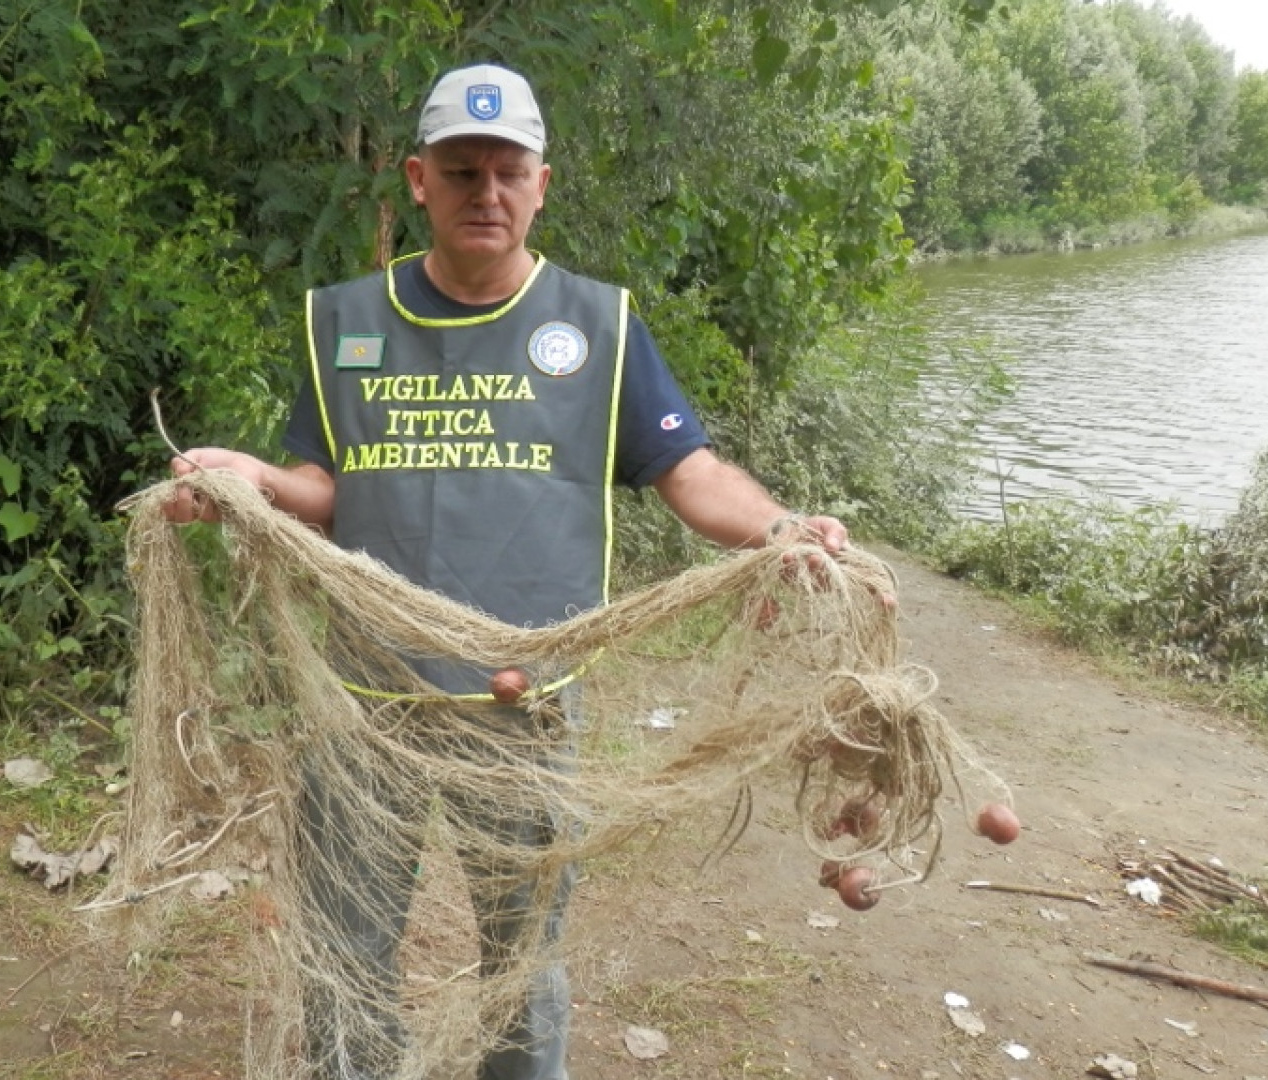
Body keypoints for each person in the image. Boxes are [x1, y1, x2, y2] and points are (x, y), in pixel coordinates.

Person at [166, 62, 852, 1080]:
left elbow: (690, 471)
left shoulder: (599, 326)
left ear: (542, 184)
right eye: (461, 171)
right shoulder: (346, 321)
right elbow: (322, 483)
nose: (485, 193)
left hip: (522, 703)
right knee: (345, 955)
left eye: (506, 172)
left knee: (521, 965)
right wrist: (248, 479)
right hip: (364, 698)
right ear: (417, 180)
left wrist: (783, 528)